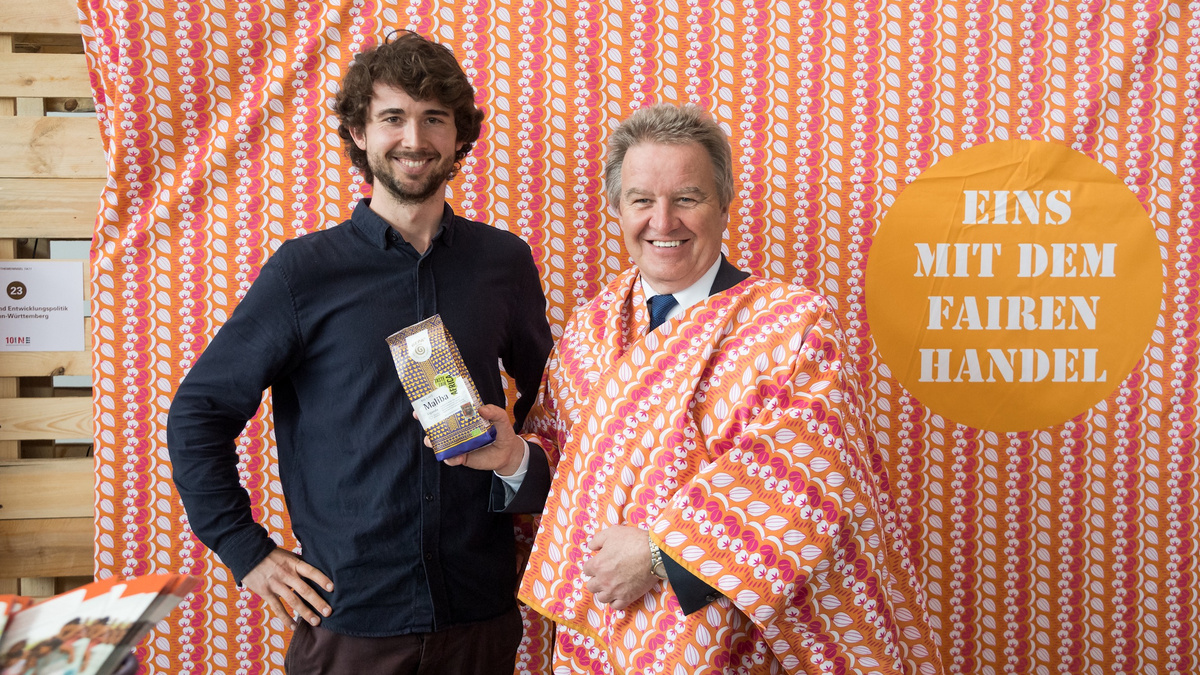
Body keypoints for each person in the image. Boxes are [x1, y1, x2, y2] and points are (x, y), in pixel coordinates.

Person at [456, 103, 944, 673]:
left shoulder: (792, 323)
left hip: (732, 642)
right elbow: (565, 471)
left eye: (686, 198)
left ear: (724, 205)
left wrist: (662, 553)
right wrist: (514, 457)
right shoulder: (589, 331)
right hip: (603, 640)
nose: (663, 222)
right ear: (617, 209)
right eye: (642, 200)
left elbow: (809, 477)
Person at [167, 30, 552, 674]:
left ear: (460, 136)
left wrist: (520, 466)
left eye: (435, 119)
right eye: (393, 117)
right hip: (351, 624)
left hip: (481, 617)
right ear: (358, 131)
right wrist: (245, 549)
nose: (414, 138)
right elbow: (198, 412)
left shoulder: (503, 262)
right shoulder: (302, 272)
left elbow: (561, 410)